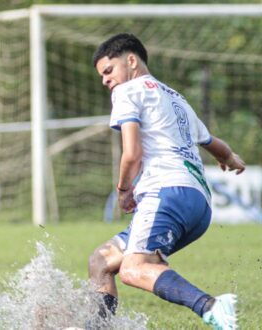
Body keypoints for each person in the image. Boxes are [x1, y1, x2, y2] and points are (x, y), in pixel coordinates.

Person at [88, 33, 244, 329]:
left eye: (108, 71)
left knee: (134, 269)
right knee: (101, 261)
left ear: (131, 60)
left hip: (166, 192)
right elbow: (211, 142)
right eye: (102, 76)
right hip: (198, 203)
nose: (106, 81)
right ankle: (100, 327)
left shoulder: (127, 91)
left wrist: (123, 191)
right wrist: (230, 158)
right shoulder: (176, 98)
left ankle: (211, 306)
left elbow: (132, 154)